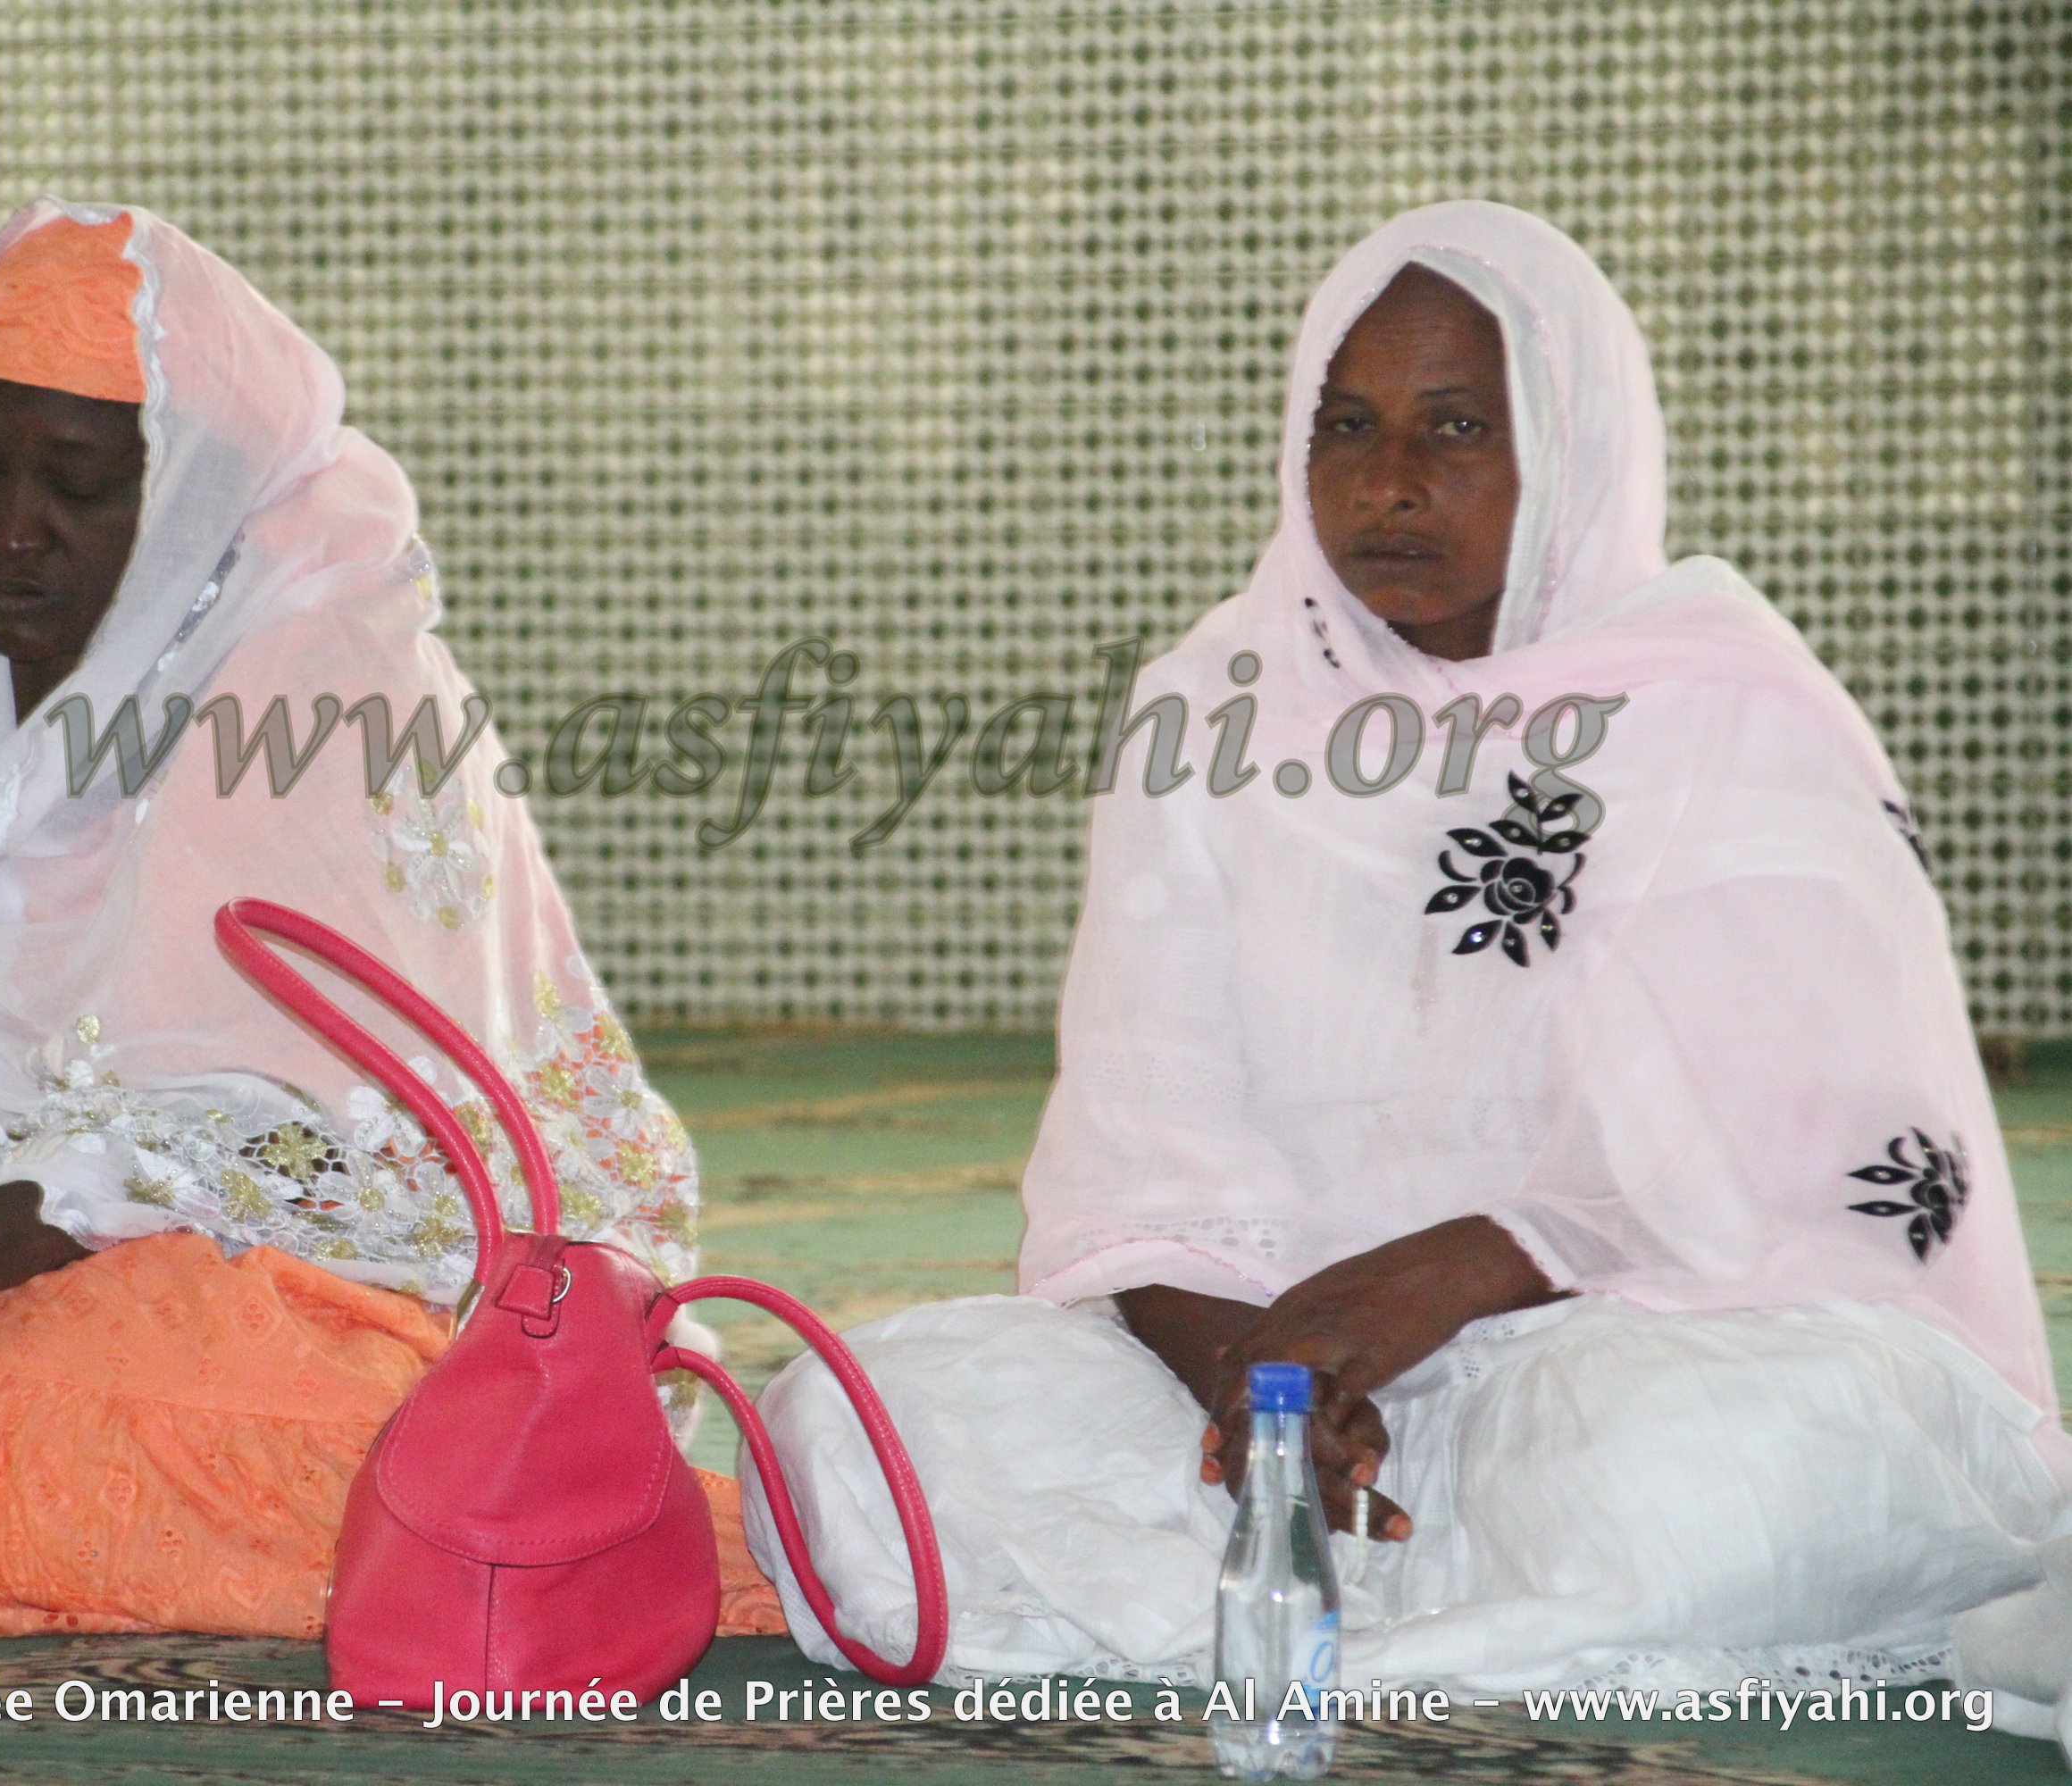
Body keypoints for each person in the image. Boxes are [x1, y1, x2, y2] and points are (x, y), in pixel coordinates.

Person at [743, 200, 2069, 1690]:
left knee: (1721, 1465)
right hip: (1272, 1359)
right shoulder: (1213, 711)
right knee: (854, 1420)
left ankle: (1347, 1610)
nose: (1388, 482)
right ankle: (1408, 1591)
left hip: (1630, 1350)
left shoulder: (1727, 715)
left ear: (1572, 444)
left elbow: (1820, 1159)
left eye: (1456, 427)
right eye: (1346, 427)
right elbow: (1148, 1143)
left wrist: (1454, 1273)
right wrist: (1264, 1393)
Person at [0, 201, 781, 1639]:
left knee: (196, 1407)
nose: (11, 531)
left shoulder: (332, 683)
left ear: (196, 492)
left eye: (81, 485)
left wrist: (33, 1218)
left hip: (350, 1293)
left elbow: (351, 1139)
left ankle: (582, 1531)